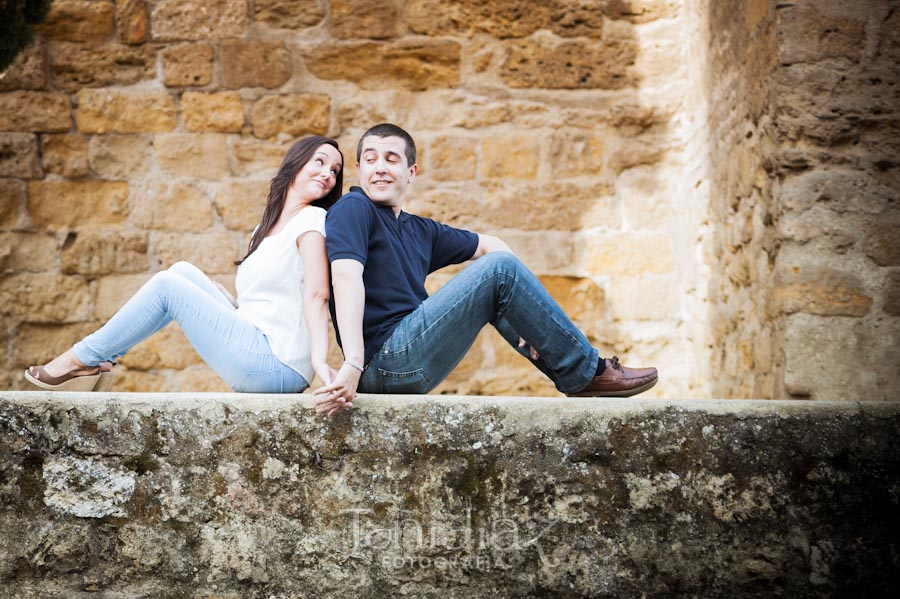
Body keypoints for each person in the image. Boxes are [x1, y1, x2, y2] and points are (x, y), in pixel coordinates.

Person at [313, 123, 657, 418]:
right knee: (499, 271)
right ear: (359, 169)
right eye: (370, 160)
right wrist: (354, 364)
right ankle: (588, 373)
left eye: (391, 159)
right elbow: (345, 276)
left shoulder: (420, 230)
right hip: (384, 360)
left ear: (411, 172)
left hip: (412, 362)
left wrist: (528, 320)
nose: (380, 169)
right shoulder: (353, 207)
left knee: (500, 269)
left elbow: (490, 243)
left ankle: (577, 378)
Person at [25, 135, 344, 393]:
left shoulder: (313, 219)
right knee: (181, 272)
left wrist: (319, 362)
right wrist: (225, 304)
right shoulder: (263, 230)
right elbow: (271, 302)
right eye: (320, 162)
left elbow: (318, 294)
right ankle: (99, 362)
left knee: (168, 287)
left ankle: (81, 358)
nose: (328, 174)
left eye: (335, 170)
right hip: (257, 346)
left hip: (276, 365)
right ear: (297, 162)